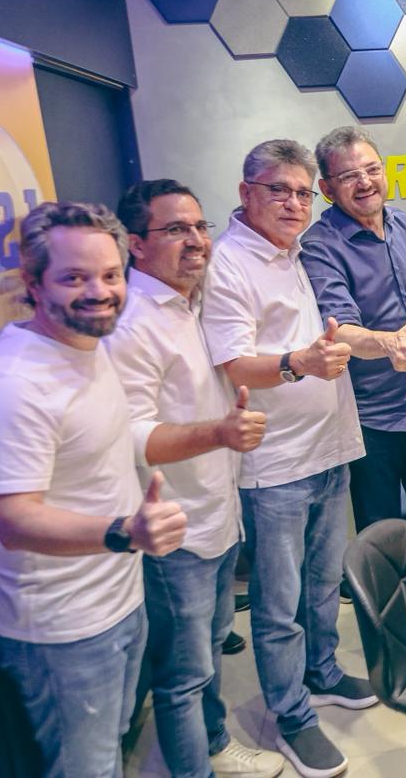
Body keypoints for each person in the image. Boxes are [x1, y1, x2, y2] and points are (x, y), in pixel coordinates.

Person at [0, 201, 187, 777]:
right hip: (64, 628)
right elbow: (13, 520)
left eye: (109, 275)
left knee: (110, 752)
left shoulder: (86, 347)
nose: (99, 292)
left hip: (116, 600)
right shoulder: (13, 386)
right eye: (74, 278)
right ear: (33, 282)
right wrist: (124, 532)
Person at [200, 139, 373, 778]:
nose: (294, 203)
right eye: (280, 190)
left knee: (324, 584)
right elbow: (232, 363)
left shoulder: (294, 252)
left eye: (303, 192)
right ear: (247, 193)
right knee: (279, 605)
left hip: (327, 448)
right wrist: (299, 363)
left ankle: (321, 671)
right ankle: (291, 714)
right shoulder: (228, 263)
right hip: (276, 465)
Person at [109, 180, 284, 778]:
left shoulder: (193, 301)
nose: (195, 241)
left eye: (199, 226)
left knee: (208, 651)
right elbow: (132, 435)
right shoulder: (133, 323)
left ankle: (212, 745)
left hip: (216, 514)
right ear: (135, 243)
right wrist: (220, 433)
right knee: (183, 675)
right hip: (175, 530)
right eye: (175, 230)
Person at [300, 127, 406, 541]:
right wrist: (388, 343)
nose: (365, 182)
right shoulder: (320, 245)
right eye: (348, 176)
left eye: (372, 169)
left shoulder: (405, 225)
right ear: (326, 189)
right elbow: (341, 331)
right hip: (371, 421)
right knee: (382, 536)